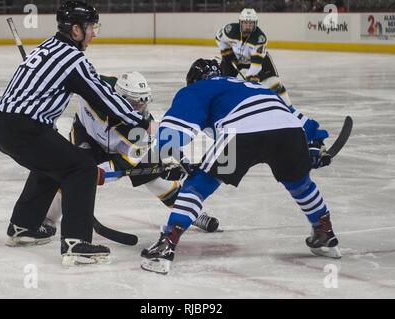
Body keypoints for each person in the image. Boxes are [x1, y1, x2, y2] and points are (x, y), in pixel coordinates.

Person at [0, 1, 153, 266]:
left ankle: (23, 227)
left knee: (51, 164)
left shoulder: (47, 46)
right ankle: (76, 244)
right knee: (82, 167)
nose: (94, 33)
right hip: (24, 128)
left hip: (2, 125)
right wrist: (141, 121)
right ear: (76, 30)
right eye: (91, 27)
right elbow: (103, 98)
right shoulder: (73, 59)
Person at [140, 59, 339, 275]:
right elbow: (302, 121)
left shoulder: (200, 87)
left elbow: (176, 128)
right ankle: (324, 233)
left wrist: (165, 155)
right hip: (288, 132)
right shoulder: (258, 87)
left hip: (241, 133)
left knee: (198, 185)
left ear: (195, 80)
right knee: (300, 184)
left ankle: (167, 243)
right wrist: (314, 146)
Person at [44, 71, 221, 233]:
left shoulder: (141, 130)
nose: (140, 110)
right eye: (135, 104)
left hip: (121, 152)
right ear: (119, 98)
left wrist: (97, 173)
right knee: (72, 175)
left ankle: (191, 213)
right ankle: (48, 220)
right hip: (86, 137)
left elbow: (125, 162)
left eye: (143, 104)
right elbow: (72, 79)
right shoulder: (97, 89)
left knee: (154, 180)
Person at [215, 8, 293, 107]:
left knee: (275, 85)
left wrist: (250, 77)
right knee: (222, 81)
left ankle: (289, 108)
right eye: (245, 23)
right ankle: (220, 106)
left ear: (255, 24)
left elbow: (256, 63)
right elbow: (219, 38)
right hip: (236, 59)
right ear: (240, 22)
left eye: (250, 24)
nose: (248, 26)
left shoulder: (260, 38)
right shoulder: (230, 30)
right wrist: (227, 54)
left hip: (259, 61)